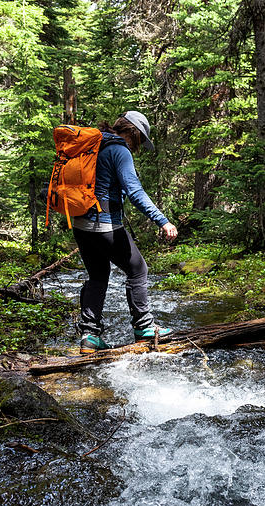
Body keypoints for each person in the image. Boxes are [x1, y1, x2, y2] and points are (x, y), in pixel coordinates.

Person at [72, 110, 178, 354]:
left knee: (98, 276)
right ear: (134, 133)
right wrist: (162, 221)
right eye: (140, 140)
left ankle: (89, 336)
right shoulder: (119, 150)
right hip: (104, 223)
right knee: (138, 268)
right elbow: (135, 191)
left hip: (80, 225)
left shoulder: (93, 145)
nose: (139, 146)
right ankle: (144, 327)